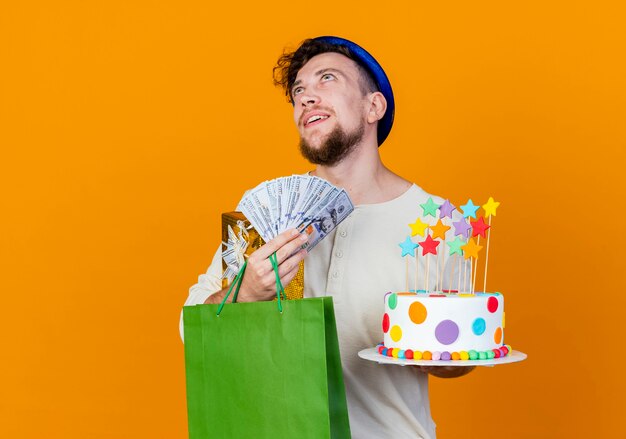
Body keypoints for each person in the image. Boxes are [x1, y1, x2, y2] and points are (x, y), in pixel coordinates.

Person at [182, 36, 473, 439]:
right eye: (299, 91)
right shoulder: (265, 215)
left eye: (326, 80)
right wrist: (244, 293)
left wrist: (440, 355)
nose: (306, 98)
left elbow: (461, 358)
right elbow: (189, 324)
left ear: (374, 107)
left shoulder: (439, 221)